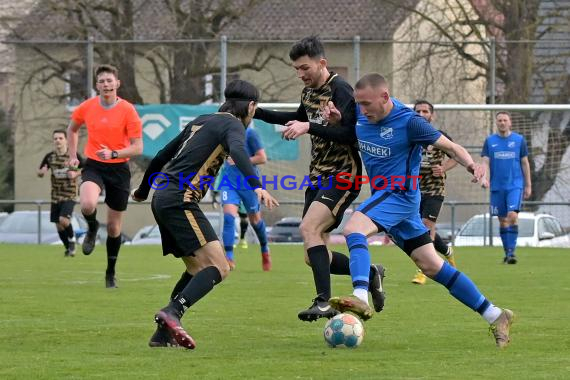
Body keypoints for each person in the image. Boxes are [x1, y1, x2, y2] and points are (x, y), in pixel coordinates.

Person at [324, 73, 514, 348]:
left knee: (354, 228)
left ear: (385, 97)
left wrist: (474, 166)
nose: (361, 111)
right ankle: (496, 314)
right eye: (358, 105)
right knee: (431, 265)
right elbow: (348, 124)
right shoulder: (360, 114)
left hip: (399, 195)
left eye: (366, 104)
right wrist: (338, 120)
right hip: (391, 200)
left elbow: (450, 147)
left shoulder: (410, 122)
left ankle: (361, 297)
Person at [132, 80, 279, 349]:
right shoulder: (233, 124)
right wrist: (257, 186)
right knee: (219, 267)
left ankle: (162, 334)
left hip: (162, 196)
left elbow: (163, 153)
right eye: (254, 110)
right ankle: (173, 312)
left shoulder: (201, 120)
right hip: (180, 198)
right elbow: (237, 150)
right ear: (250, 106)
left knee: (195, 268)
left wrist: (143, 189)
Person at [254, 36, 385, 322]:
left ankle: (324, 302)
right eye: (296, 70)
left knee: (308, 227)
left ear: (321, 63)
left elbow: (351, 134)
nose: (301, 75)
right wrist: (259, 112)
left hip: (343, 175)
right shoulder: (308, 93)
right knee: (313, 253)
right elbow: (299, 117)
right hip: (317, 176)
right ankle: (370, 272)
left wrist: (309, 127)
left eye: (305, 68)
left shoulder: (341, 90)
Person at [67, 64, 143, 288]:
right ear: (97, 85)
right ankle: (91, 228)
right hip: (94, 165)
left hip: (119, 168)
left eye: (109, 81)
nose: (106, 85)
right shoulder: (87, 107)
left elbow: (138, 147)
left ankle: (110, 272)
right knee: (88, 204)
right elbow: (71, 129)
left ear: (117, 84)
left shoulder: (128, 110)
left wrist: (114, 153)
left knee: (113, 228)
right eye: (101, 81)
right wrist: (73, 156)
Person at [411, 100, 458, 285]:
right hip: (413, 190)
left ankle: (424, 270)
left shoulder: (439, 136)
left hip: (434, 189)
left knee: (426, 224)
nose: (422, 114)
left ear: (432, 115)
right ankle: (447, 251)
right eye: (418, 111)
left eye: (425, 111)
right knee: (422, 228)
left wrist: (444, 167)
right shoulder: (409, 136)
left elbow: (456, 155)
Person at [218, 123, 272, 271]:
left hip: (249, 184)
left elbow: (262, 158)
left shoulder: (250, 133)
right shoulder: (225, 132)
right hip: (229, 183)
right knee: (229, 217)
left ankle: (265, 249)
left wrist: (241, 160)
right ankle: (229, 257)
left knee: (255, 221)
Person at [481, 112, 532, 264]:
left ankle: (512, 252)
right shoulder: (490, 141)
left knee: (512, 216)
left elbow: (525, 162)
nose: (502, 123)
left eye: (505, 120)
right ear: (496, 123)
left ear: (510, 123)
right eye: (499, 120)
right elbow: (485, 162)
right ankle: (507, 253)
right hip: (497, 186)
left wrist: (528, 184)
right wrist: (484, 178)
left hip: (515, 185)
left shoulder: (519, 140)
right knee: (502, 220)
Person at [37, 129, 84, 257]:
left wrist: (76, 173)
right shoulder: (49, 157)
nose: (57, 140)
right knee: (58, 225)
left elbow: (85, 168)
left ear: (66, 140)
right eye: (55, 138)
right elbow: (40, 171)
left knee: (63, 220)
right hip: (55, 195)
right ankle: (68, 248)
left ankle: (73, 241)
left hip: (70, 194)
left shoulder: (73, 156)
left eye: (60, 138)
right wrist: (41, 173)